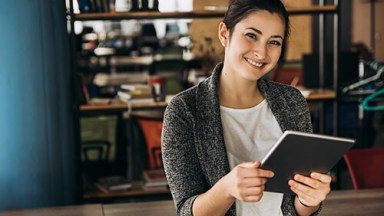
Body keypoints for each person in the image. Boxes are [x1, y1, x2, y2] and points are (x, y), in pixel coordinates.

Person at [161, 0, 332, 215]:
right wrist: (226, 189)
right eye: (251, 35)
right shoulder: (185, 110)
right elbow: (186, 211)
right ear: (224, 34)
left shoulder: (292, 101)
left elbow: (299, 210)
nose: (262, 52)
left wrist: (310, 200)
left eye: (274, 42)